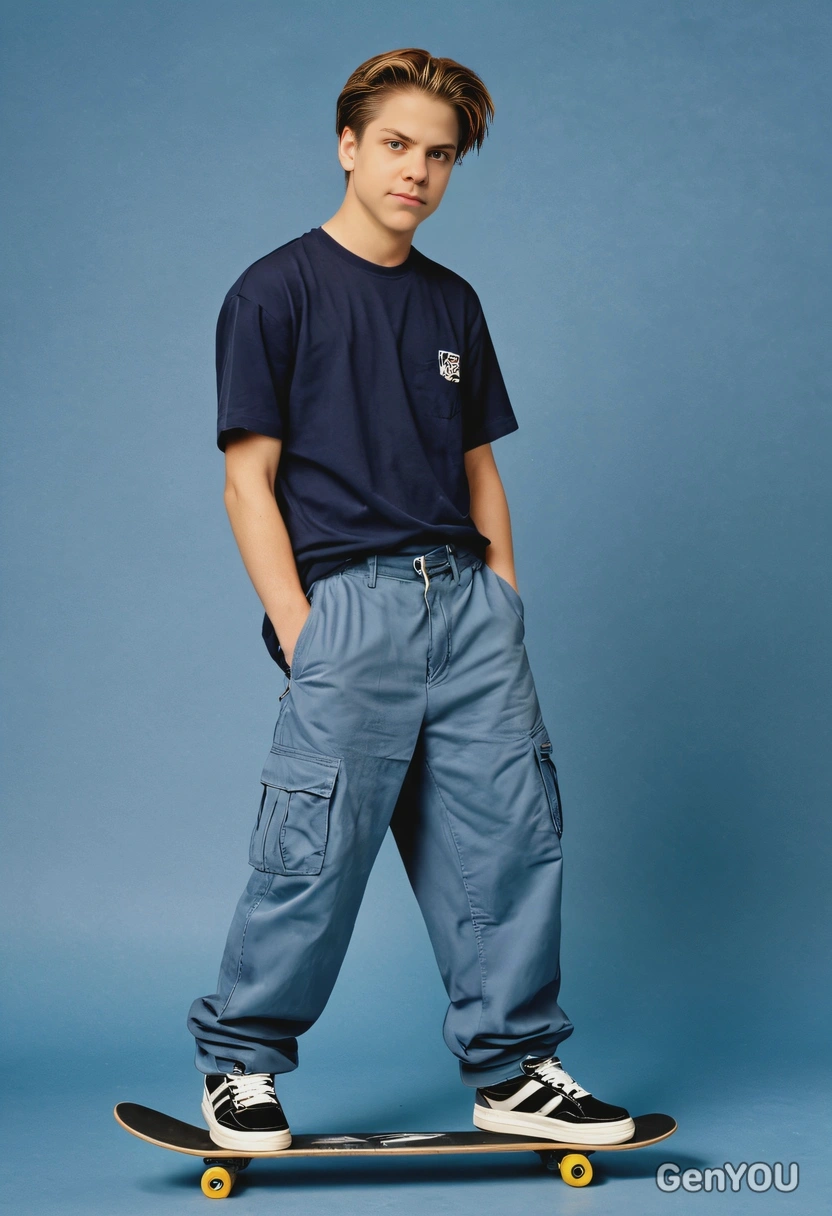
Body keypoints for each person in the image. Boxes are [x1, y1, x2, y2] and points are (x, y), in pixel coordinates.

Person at [187, 47, 635, 1153]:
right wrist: (302, 628)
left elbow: (479, 465)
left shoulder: (452, 301)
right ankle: (240, 1066)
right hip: (350, 607)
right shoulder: (274, 290)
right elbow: (247, 478)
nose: (416, 172)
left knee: (510, 841)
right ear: (347, 145)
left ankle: (513, 1068)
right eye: (395, 145)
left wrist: (505, 598)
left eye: (438, 155)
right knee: (315, 850)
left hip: (468, 605)